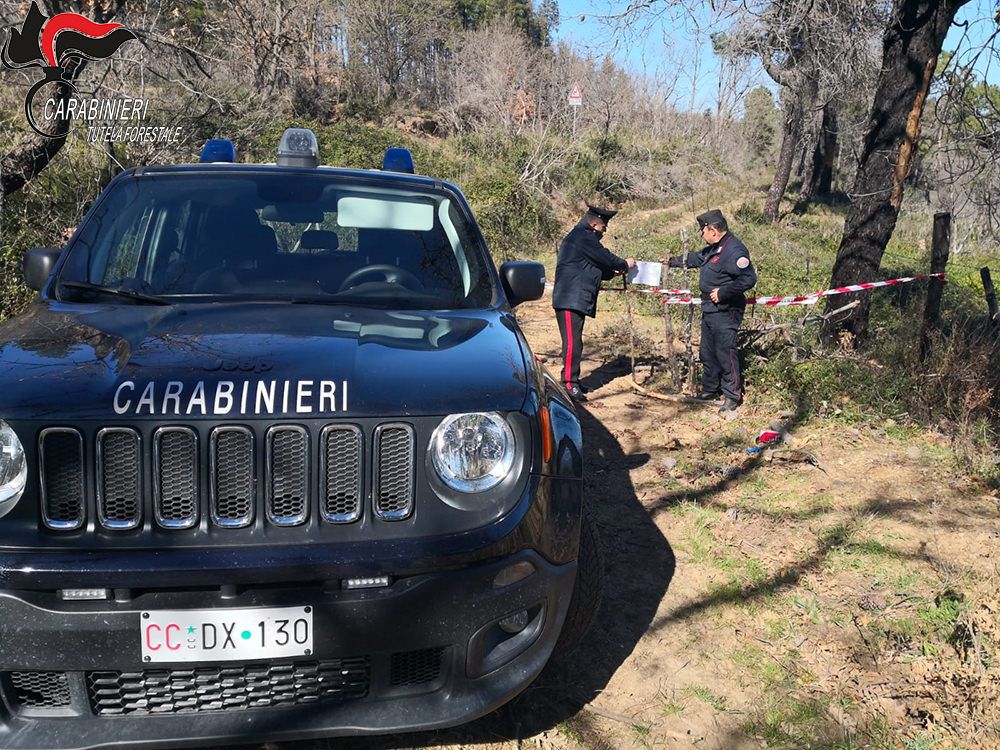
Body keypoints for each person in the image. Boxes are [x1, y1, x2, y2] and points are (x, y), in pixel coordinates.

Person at [666, 209, 757, 413]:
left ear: (714, 230)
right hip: (710, 308)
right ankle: (710, 389)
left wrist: (724, 292)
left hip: (726, 309)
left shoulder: (734, 250)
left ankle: (732, 395)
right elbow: (697, 258)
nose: (702, 235)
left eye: (703, 231)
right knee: (708, 352)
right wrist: (673, 261)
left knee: (725, 352)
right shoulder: (716, 247)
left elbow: (748, 278)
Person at [552, 205, 636, 402]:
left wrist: (611, 272)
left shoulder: (582, 238)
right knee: (573, 343)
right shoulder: (584, 237)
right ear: (594, 223)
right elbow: (605, 258)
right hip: (569, 299)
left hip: (574, 298)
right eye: (604, 225)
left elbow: (593, 265)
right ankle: (569, 384)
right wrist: (625, 264)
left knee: (575, 342)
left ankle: (573, 380)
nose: (605, 229)